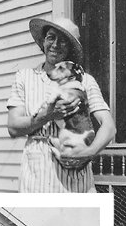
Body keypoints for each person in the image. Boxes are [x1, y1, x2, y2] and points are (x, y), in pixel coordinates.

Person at [6, 17, 116, 193]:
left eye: (63, 40)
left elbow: (109, 126)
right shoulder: (25, 77)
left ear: (70, 48)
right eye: (51, 37)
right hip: (37, 173)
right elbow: (13, 127)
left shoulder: (85, 80)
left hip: (77, 175)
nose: (55, 44)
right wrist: (48, 115)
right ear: (43, 41)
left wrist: (88, 153)